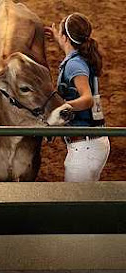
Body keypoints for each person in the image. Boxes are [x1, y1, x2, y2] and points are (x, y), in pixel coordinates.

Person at [45, 13, 110, 182]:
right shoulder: (81, 58)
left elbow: (87, 99)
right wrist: (57, 37)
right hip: (94, 142)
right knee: (86, 200)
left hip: (84, 148)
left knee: (74, 204)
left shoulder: (74, 64)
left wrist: (60, 109)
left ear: (66, 37)